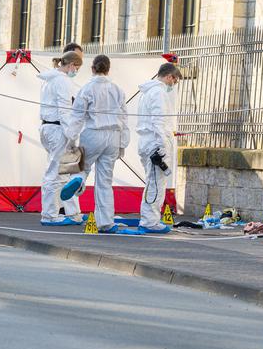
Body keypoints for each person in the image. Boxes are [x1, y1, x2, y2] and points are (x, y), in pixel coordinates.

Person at [60, 55, 137, 234]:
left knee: (81, 167)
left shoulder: (86, 89)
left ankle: (78, 179)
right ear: (108, 69)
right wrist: (122, 144)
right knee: (105, 181)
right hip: (113, 136)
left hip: (93, 133)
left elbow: (78, 117)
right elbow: (123, 118)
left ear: (92, 69)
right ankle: (106, 222)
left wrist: (71, 139)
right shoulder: (118, 90)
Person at [36, 51, 84, 226]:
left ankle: (71, 212)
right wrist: (72, 135)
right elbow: (64, 109)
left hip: (47, 127)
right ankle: (49, 214)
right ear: (71, 65)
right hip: (58, 129)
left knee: (60, 171)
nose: (76, 71)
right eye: (77, 68)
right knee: (54, 172)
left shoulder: (49, 80)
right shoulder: (62, 81)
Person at [136, 62, 182, 234]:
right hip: (155, 143)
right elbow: (158, 121)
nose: (173, 85)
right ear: (169, 76)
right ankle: (150, 220)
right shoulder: (159, 93)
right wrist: (162, 145)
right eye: (174, 81)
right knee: (156, 183)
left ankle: (150, 218)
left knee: (152, 181)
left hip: (147, 141)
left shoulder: (148, 92)